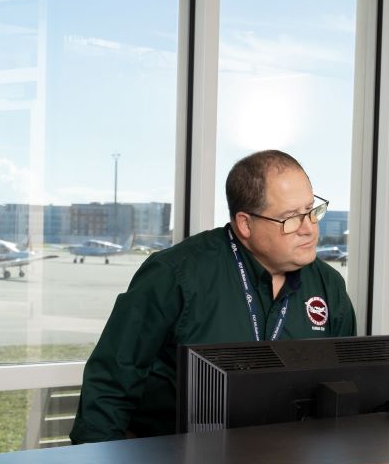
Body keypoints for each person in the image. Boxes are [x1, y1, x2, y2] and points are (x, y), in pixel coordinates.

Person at [70, 149, 356, 442]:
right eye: (292, 218)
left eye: (312, 210)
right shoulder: (174, 275)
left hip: (288, 463)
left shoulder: (328, 284)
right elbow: (110, 386)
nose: (310, 229)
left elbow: (348, 386)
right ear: (245, 224)